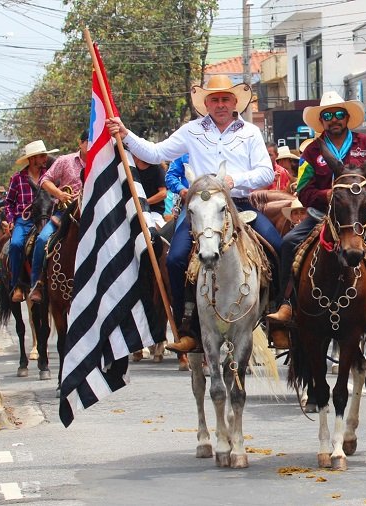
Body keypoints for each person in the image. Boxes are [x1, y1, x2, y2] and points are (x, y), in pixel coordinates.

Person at [106, 74, 279, 354]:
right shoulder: (192, 131)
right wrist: (126, 135)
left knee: (278, 246)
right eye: (215, 100)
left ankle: (277, 316)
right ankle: (186, 326)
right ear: (206, 104)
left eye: (225, 99)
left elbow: (266, 172)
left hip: (238, 204)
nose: (220, 104)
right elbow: (155, 153)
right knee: (174, 259)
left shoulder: (250, 132)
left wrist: (235, 180)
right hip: (200, 208)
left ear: (235, 102)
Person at [266, 91, 366, 347]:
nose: (334, 119)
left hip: (362, 218)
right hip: (322, 216)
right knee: (288, 243)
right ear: (321, 121)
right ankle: (285, 305)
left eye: (339, 114)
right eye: (328, 115)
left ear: (347, 117)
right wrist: (327, 195)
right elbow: (304, 191)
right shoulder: (311, 151)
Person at [29, 131, 87, 303]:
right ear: (80, 143)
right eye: (87, 141)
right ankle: (37, 283)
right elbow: (45, 180)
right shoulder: (65, 161)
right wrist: (59, 194)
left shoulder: (101, 163)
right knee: (42, 239)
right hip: (64, 213)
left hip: (92, 213)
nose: (91, 144)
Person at [4, 140, 58, 302]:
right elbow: (9, 203)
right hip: (25, 219)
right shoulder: (17, 178)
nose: (45, 159)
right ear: (32, 159)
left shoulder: (50, 176)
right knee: (16, 244)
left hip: (46, 217)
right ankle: (17, 285)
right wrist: (11, 220)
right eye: (42, 156)